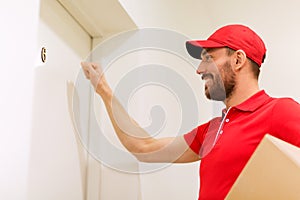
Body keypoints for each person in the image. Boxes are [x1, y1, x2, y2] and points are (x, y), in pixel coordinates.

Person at [81, 24, 300, 200]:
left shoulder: (279, 111)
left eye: (208, 58)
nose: (200, 69)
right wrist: (104, 90)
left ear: (238, 60)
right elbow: (144, 148)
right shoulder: (212, 130)